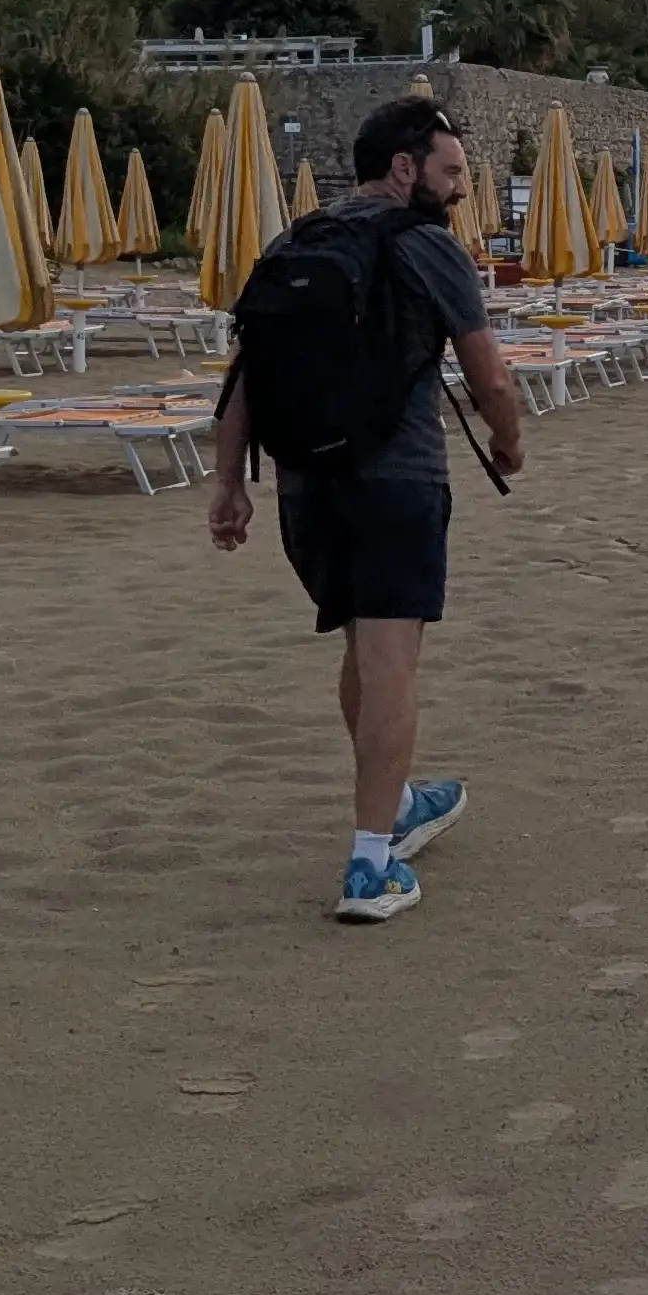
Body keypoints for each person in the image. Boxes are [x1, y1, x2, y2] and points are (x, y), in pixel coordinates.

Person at [206, 94, 529, 922]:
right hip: (396, 478)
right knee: (392, 661)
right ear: (403, 167)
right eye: (451, 171)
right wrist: (509, 442)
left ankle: (399, 805)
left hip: (304, 484)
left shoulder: (294, 241)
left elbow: (244, 373)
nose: (460, 189)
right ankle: (370, 866)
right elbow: (489, 376)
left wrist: (229, 482)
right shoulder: (427, 247)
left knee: (362, 648)